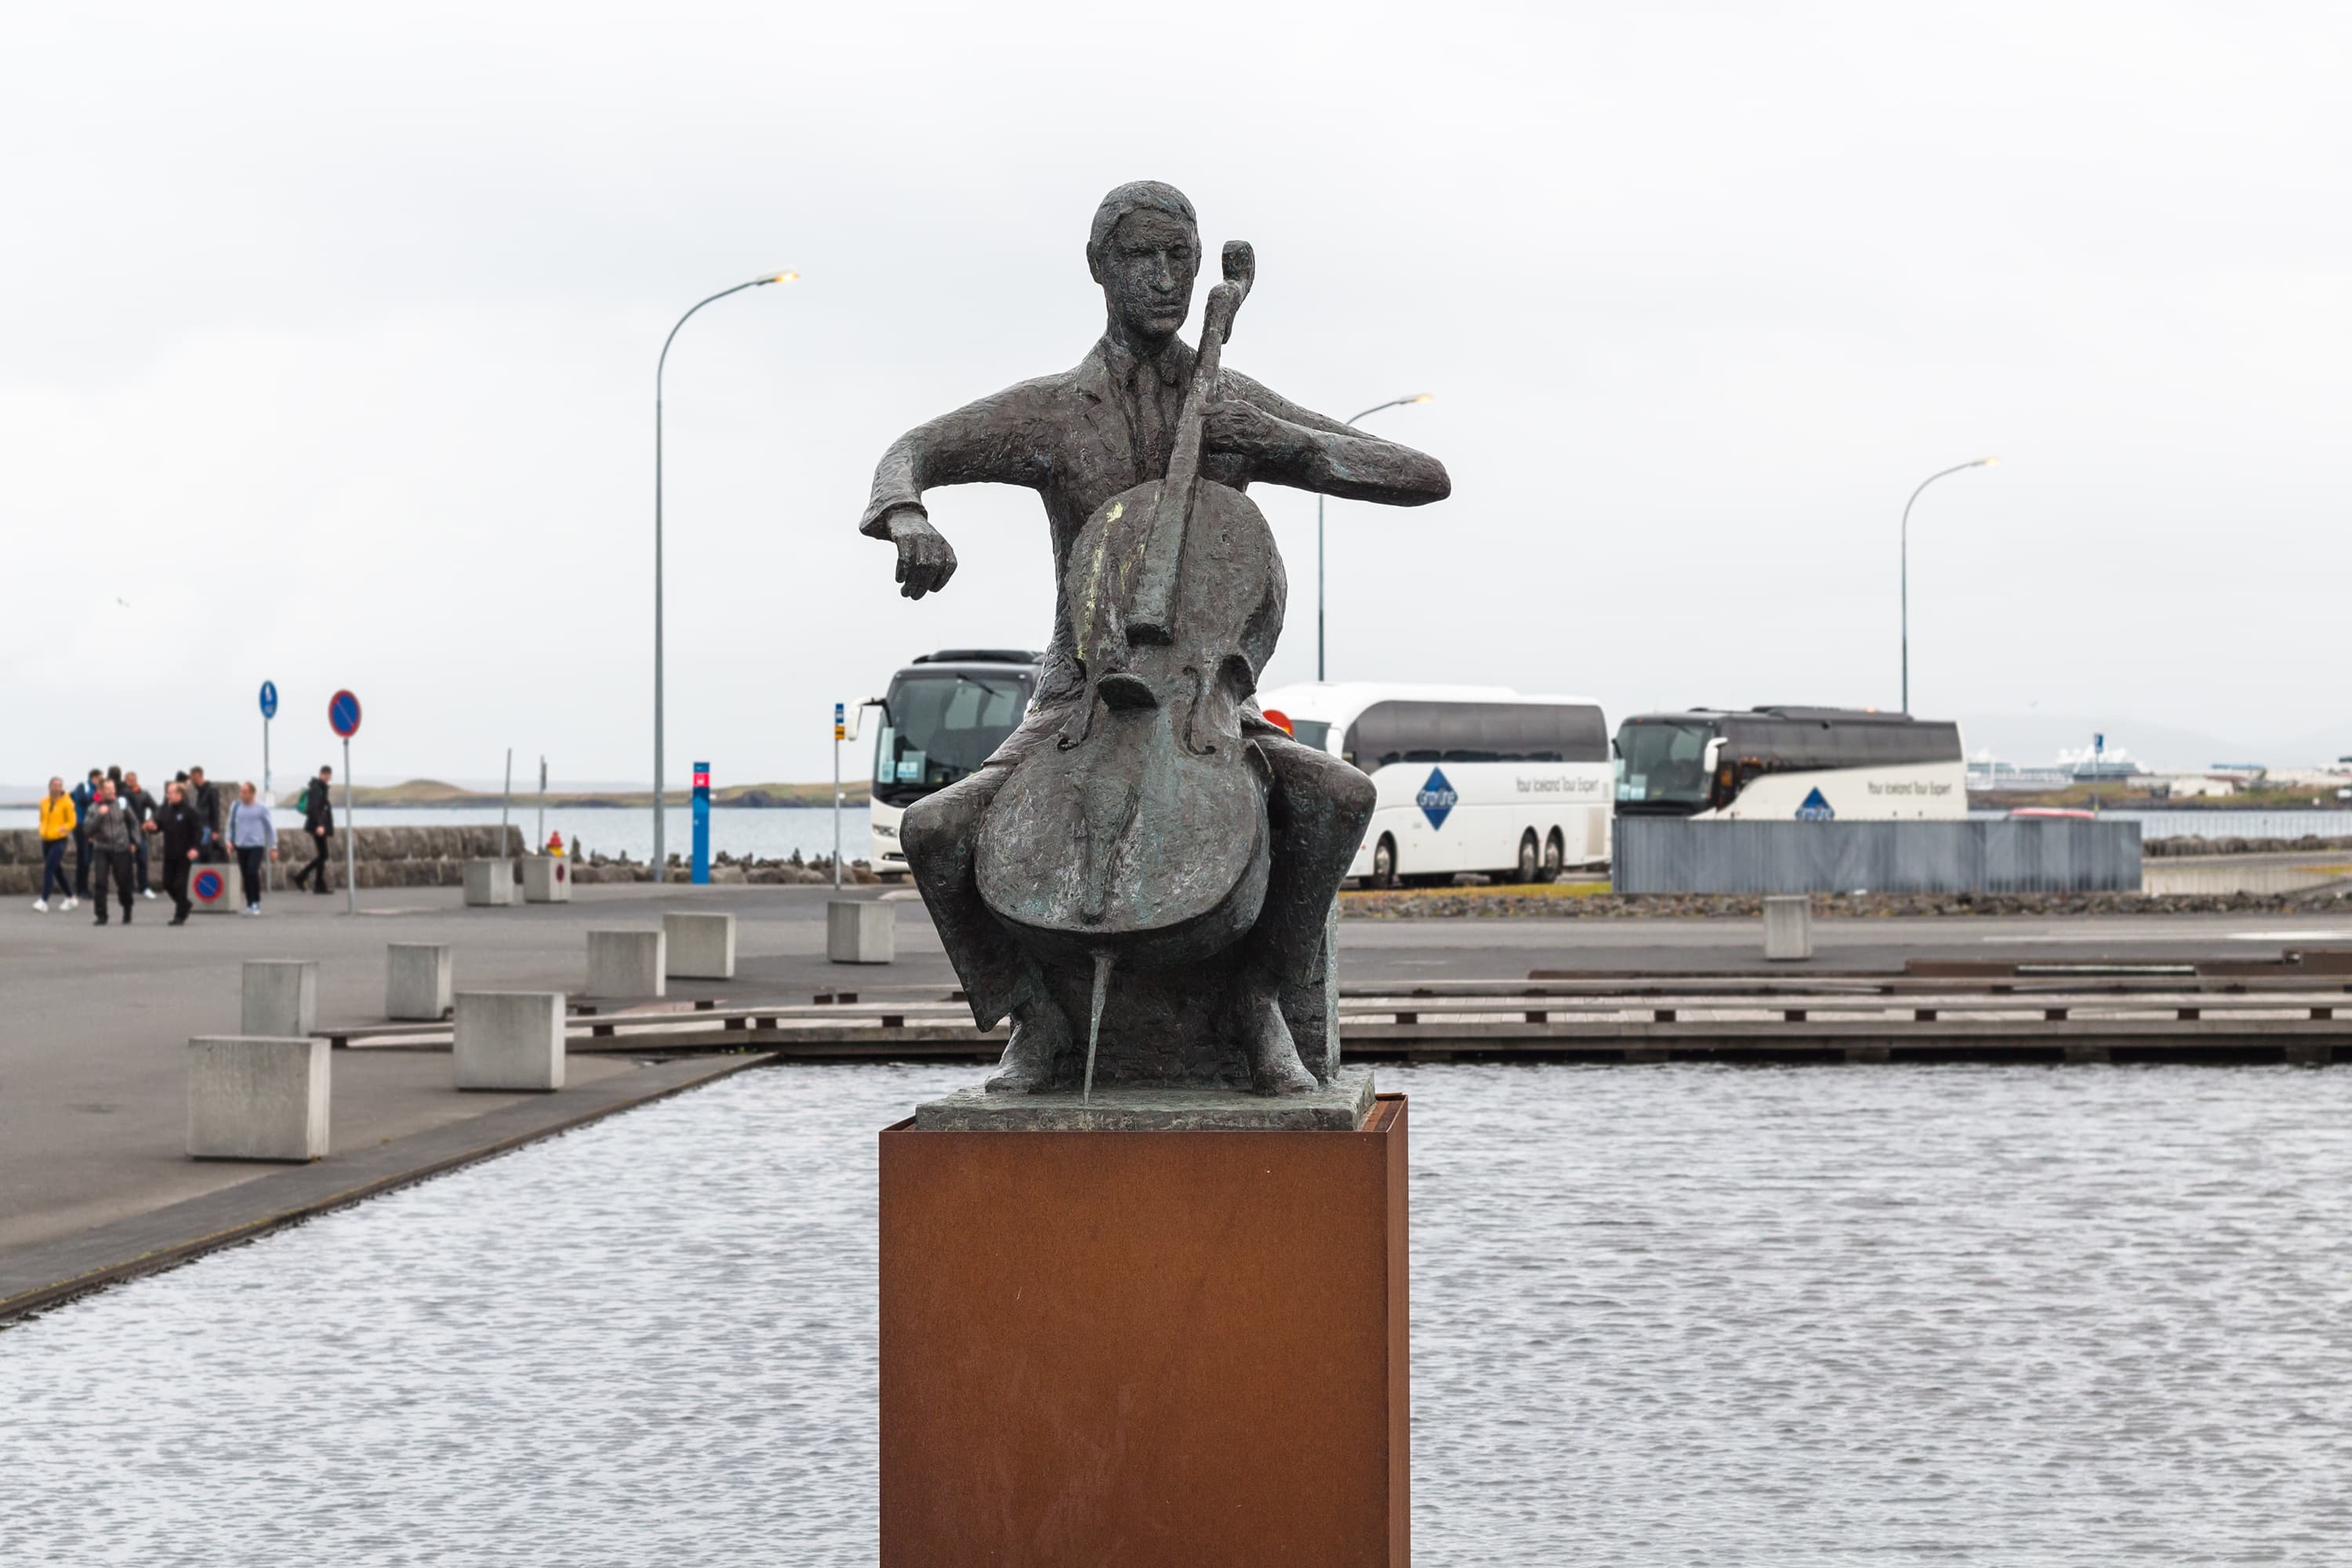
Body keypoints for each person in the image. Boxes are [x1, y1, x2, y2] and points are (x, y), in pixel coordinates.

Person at [855, 180, 1448, 1091]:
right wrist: (906, 516)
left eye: (1182, 258)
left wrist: (1283, 442)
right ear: (1099, 267)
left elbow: (1421, 476)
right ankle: (1035, 1017)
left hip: (1204, 704)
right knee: (935, 832)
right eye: (1142, 258)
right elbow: (913, 450)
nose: (1167, 279)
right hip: (1075, 701)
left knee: (1339, 796)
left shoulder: (1228, 400)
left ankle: (1258, 1001)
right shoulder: (1053, 413)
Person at [82, 778, 140, 927]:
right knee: (100, 882)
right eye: (108, 789)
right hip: (102, 849)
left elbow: (134, 823)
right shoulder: (93, 808)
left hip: (121, 847)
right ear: (100, 792)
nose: (112, 791)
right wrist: (99, 815)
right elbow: (87, 830)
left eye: (113, 788)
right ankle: (101, 915)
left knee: (123, 882)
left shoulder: (122, 804)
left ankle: (127, 908)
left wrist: (134, 842)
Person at [151, 779, 203, 924]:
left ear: (180, 794)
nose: (168, 796)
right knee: (167, 884)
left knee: (180, 885)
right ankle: (185, 903)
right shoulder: (165, 810)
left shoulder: (190, 812)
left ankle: (179, 915)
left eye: (170, 793)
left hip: (184, 854)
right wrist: (152, 828)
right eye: (167, 793)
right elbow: (159, 826)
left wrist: (195, 848)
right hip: (169, 853)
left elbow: (198, 832)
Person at [228, 782, 278, 915]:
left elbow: (270, 828)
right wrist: (229, 841)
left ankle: (256, 902)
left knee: (252, 872)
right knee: (245, 875)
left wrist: (273, 847)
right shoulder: (236, 806)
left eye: (245, 792)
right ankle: (249, 903)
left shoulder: (261, 808)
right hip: (241, 845)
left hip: (256, 845)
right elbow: (231, 825)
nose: (242, 794)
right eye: (241, 791)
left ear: (252, 793)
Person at [290, 764, 336, 895]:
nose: (328, 778)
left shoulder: (320, 787)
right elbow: (314, 808)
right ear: (323, 774)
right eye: (327, 775)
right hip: (317, 826)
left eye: (329, 776)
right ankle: (305, 878)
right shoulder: (317, 788)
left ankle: (314, 882)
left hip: (318, 825)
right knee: (323, 855)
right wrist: (320, 825)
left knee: (323, 855)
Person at [34, 776, 76, 913]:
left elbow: (72, 821)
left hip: (59, 840)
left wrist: (65, 827)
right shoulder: (44, 802)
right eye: (55, 785)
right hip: (46, 840)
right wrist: (41, 828)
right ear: (50, 787)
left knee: (49, 869)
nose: (57, 787)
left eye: (59, 785)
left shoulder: (67, 802)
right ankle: (71, 897)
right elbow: (42, 818)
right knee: (57, 871)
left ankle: (44, 900)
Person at [121, 770, 158, 901]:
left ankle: (144, 887)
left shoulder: (143, 794)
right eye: (129, 779)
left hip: (140, 831)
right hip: (124, 832)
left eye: (133, 779)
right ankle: (128, 888)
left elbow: (156, 808)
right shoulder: (121, 795)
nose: (131, 782)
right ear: (125, 781)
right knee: (126, 862)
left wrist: (150, 821)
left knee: (142, 860)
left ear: (137, 780)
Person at [70, 768, 99, 898]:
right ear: (94, 778)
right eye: (100, 778)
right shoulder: (83, 786)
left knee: (86, 858)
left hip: (91, 827)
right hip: (81, 826)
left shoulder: (95, 790)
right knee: (83, 858)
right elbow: (82, 800)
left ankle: (82, 887)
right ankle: (82, 889)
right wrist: (96, 794)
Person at [188, 766, 225, 862]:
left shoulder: (211, 790)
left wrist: (215, 830)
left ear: (197, 776)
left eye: (192, 778)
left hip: (207, 827)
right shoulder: (199, 791)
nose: (191, 781)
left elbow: (215, 810)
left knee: (203, 853)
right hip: (199, 827)